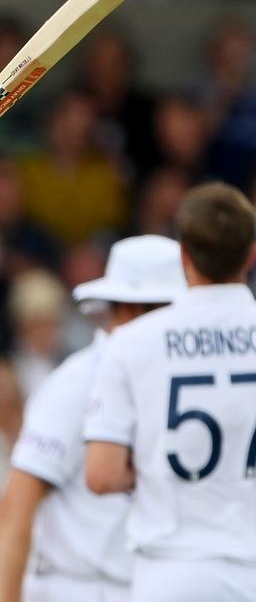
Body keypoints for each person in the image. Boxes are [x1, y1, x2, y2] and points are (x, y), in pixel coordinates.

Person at [0, 234, 186, 602]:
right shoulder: (78, 383)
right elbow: (16, 503)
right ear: (130, 311)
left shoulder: (168, 377)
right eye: (170, 309)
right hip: (79, 587)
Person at [85, 182, 256, 602]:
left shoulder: (131, 342)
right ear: (251, 253)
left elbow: (102, 475)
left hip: (174, 570)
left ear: (184, 257)